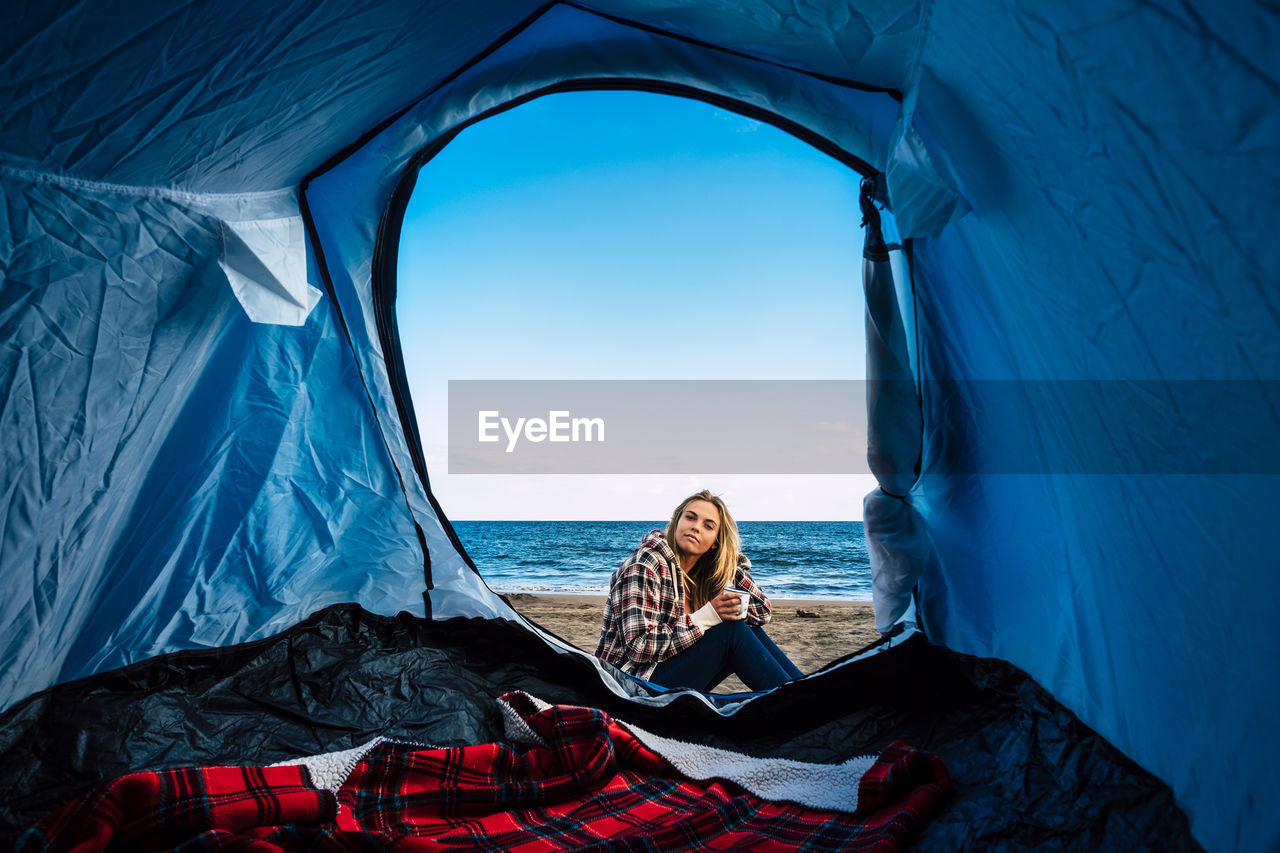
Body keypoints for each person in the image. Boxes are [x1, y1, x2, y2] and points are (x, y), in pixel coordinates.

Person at [595, 490, 803, 692]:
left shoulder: (701, 575)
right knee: (732, 631)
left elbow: (761, 612)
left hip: (664, 678)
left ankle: (806, 691)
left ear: (715, 542)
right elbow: (638, 647)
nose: (695, 527)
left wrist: (727, 562)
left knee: (745, 626)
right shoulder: (647, 562)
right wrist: (707, 616)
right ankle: (799, 702)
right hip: (626, 686)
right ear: (677, 522)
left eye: (708, 526)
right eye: (690, 518)